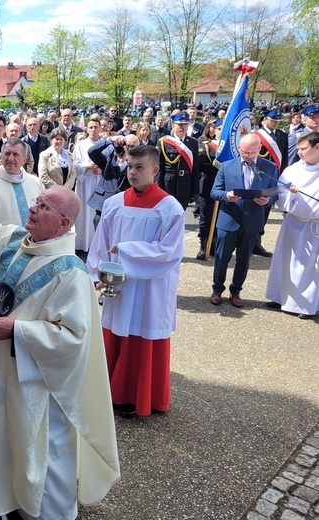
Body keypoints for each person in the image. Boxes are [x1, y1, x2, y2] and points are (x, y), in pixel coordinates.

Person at [0, 164, 120, 520]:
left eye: (44, 207)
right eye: (36, 201)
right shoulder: (12, 241)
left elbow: (75, 340)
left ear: (63, 224)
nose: (33, 207)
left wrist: (19, 331)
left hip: (36, 387)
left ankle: (45, 511)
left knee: (40, 448)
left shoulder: (71, 273)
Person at [87, 145, 185, 417]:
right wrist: (96, 274)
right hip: (119, 283)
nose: (132, 172)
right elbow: (101, 244)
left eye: (139, 167)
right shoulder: (113, 204)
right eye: (129, 166)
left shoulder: (170, 208)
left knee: (142, 333)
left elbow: (169, 252)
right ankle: (111, 392)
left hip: (151, 287)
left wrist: (128, 250)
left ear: (154, 170)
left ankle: (139, 397)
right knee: (116, 330)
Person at [210, 134, 279, 308]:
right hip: (229, 218)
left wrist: (267, 201)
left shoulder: (269, 167)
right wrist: (226, 196)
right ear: (239, 149)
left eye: (252, 152)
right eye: (245, 152)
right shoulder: (226, 166)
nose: (248, 155)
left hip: (252, 220)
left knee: (244, 259)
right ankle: (217, 289)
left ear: (260, 149)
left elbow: (275, 192)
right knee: (222, 257)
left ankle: (236, 291)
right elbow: (214, 191)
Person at [265, 131, 319, 319]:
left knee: (310, 267)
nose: (300, 153)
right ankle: (280, 297)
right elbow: (280, 196)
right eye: (298, 149)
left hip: (315, 228)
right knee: (285, 262)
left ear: (317, 147)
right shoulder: (293, 170)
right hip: (293, 223)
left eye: (304, 149)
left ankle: (306, 305)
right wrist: (292, 195)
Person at [0, 137, 44, 226]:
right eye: (7, 154)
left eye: (15, 154)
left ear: (24, 160)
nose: (10, 158)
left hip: (33, 239)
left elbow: (43, 214)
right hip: (4, 239)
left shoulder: (36, 183)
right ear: (1, 157)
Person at [253, 108, 290, 257]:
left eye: (277, 120)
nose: (275, 122)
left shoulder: (282, 135)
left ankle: (257, 242)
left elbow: (284, 158)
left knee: (265, 209)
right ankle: (248, 241)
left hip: (273, 179)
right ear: (264, 120)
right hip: (257, 178)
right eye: (272, 119)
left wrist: (283, 177)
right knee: (253, 208)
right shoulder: (255, 135)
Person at [157, 112, 200, 210]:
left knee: (180, 213)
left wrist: (195, 190)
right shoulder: (164, 142)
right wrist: (158, 188)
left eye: (185, 124)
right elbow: (159, 168)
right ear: (173, 126)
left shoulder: (193, 143)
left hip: (185, 183)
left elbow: (195, 168)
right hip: (168, 183)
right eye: (180, 124)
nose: (183, 127)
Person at [72, 117, 104, 251]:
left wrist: (102, 169)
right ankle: (82, 244)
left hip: (100, 182)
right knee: (85, 213)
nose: (93, 130)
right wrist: (87, 167)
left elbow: (111, 163)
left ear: (100, 128)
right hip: (85, 182)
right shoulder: (81, 145)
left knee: (97, 214)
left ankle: (96, 244)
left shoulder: (105, 144)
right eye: (90, 127)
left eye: (96, 127)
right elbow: (75, 164)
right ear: (87, 129)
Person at [195, 119, 222, 260]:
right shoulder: (206, 144)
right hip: (208, 184)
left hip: (225, 186)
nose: (222, 131)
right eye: (219, 128)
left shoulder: (233, 147)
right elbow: (201, 164)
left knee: (220, 217)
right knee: (206, 216)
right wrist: (220, 168)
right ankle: (203, 246)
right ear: (214, 130)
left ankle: (215, 245)